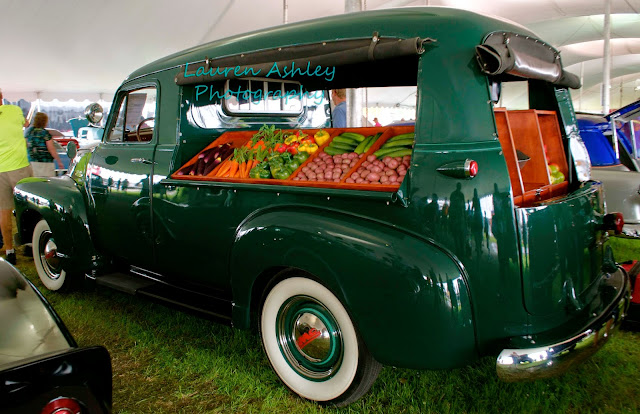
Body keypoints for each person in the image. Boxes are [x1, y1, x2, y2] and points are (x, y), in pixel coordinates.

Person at [0, 89, 32, 265]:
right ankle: (28, 245)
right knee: (26, 207)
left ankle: (10, 251)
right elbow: (26, 123)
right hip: (19, 167)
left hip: (0, 170)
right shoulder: (14, 110)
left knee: (3, 212)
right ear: (1, 97)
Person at [25, 112, 64, 177]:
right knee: (47, 183)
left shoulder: (29, 132)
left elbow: (25, 145)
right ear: (44, 122)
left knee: (35, 182)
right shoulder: (45, 133)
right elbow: (51, 149)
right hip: (45, 162)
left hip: (32, 162)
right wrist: (59, 161)